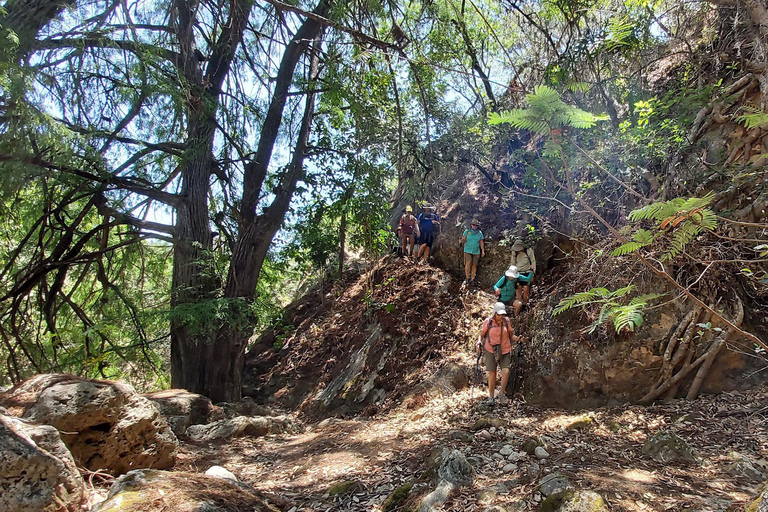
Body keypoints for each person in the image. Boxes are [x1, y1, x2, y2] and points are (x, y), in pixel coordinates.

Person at [476, 302, 522, 405]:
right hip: (490, 349)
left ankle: (501, 393)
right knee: (492, 373)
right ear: (494, 313)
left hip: (505, 349)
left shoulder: (506, 321)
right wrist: (478, 343)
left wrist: (519, 338)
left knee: (506, 371)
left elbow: (511, 336)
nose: (501, 316)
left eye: (503, 314)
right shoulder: (488, 322)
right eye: (499, 314)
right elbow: (481, 335)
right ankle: (491, 397)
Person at [509, 239, 536, 316]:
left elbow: (533, 261)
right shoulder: (514, 252)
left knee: (526, 288)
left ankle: (525, 305)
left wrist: (533, 273)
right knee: (518, 289)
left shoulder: (529, 251)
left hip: (527, 272)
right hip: (517, 273)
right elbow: (513, 263)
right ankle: (519, 305)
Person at [460, 219, 484, 284]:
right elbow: (463, 238)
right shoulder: (467, 231)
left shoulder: (479, 233)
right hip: (467, 250)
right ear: (471, 225)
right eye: (473, 225)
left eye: (476, 225)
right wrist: (461, 241)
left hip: (476, 251)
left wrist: (483, 251)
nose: (474, 226)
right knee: (468, 262)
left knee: (474, 265)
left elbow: (481, 242)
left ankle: (472, 279)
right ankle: (467, 277)